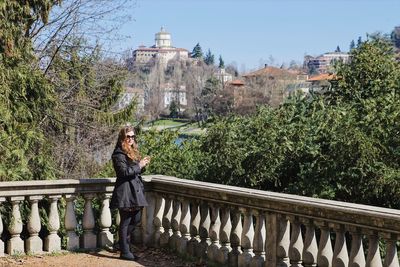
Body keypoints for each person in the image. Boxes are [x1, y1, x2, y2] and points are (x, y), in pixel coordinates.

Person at [110, 125, 150, 261]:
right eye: (128, 136)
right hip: (126, 191)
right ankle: (125, 251)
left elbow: (134, 171)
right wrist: (139, 166)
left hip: (135, 191)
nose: (131, 139)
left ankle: (122, 245)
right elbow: (123, 172)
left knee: (136, 219)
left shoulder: (132, 152)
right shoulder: (118, 154)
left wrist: (142, 165)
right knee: (126, 221)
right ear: (123, 137)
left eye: (133, 136)